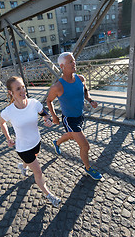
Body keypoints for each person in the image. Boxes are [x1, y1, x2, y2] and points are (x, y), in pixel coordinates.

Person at [0, 76, 61, 207]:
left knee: (31, 160)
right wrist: (8, 138)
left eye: (23, 87)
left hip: (36, 142)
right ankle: (49, 195)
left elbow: (44, 113)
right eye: (18, 89)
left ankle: (23, 166)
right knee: (38, 172)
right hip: (23, 148)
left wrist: (47, 119)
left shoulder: (34, 103)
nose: (23, 91)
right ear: (11, 92)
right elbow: (1, 122)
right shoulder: (9, 111)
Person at [46, 52, 104, 181]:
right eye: (70, 62)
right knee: (85, 146)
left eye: (74, 61)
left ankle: (56, 142)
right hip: (69, 119)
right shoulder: (58, 86)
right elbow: (48, 101)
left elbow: (85, 91)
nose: (74, 63)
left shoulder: (81, 78)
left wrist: (90, 100)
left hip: (80, 116)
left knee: (71, 135)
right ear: (62, 66)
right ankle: (88, 168)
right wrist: (54, 117)